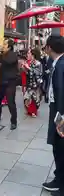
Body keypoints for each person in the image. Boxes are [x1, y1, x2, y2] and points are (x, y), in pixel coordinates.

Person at [42, 36, 64, 196]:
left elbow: (62, 91)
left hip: (60, 111)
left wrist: (61, 118)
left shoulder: (62, 65)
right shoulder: (57, 63)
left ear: (49, 47)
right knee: (57, 146)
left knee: (60, 147)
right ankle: (59, 177)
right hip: (56, 109)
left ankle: (62, 185)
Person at [0, 38, 18, 130]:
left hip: (10, 82)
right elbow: (0, 65)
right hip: (2, 81)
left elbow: (8, 61)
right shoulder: (2, 55)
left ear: (9, 47)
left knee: (11, 103)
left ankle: (13, 121)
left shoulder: (13, 55)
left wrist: (1, 54)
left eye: (5, 45)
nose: (3, 46)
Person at [23, 48, 42, 118]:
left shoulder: (38, 63)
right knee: (27, 97)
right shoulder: (30, 62)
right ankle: (30, 111)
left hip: (35, 84)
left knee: (34, 98)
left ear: (33, 55)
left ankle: (33, 111)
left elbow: (38, 73)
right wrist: (25, 69)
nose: (28, 55)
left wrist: (28, 68)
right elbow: (28, 73)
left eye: (29, 53)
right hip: (30, 83)